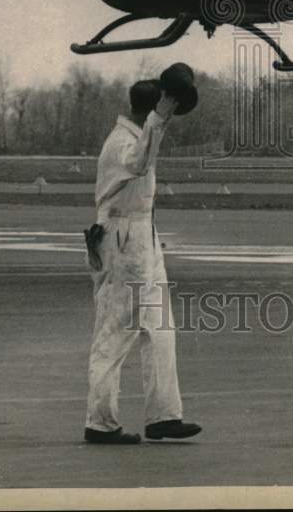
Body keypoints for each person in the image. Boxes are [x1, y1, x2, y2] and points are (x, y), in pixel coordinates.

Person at [84, 78, 201, 444]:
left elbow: (145, 157)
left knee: (160, 329)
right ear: (150, 109)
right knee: (116, 332)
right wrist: (159, 119)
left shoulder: (137, 135)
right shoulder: (124, 143)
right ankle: (100, 423)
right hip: (124, 240)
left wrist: (158, 121)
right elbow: (137, 164)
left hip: (142, 237)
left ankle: (164, 416)